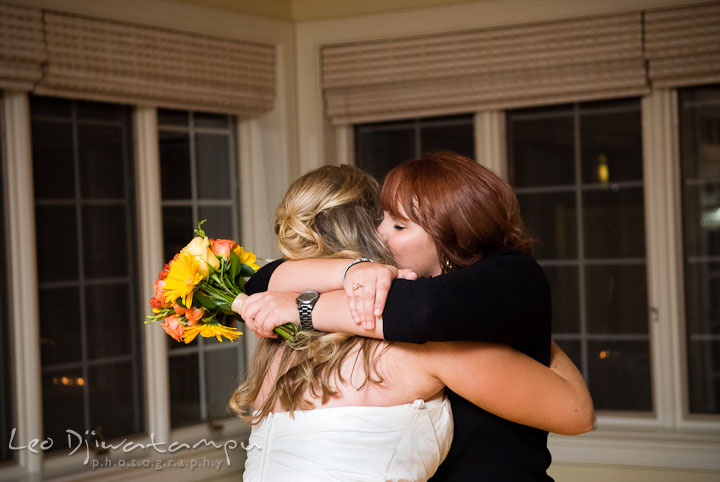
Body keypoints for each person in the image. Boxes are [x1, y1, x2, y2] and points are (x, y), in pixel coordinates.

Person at [232, 163, 592, 481]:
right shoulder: (420, 321)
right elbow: (259, 281)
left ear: (449, 233)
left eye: (399, 225)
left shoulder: (505, 276)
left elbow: (421, 311)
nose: (380, 234)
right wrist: (353, 270)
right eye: (381, 220)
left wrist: (301, 308)